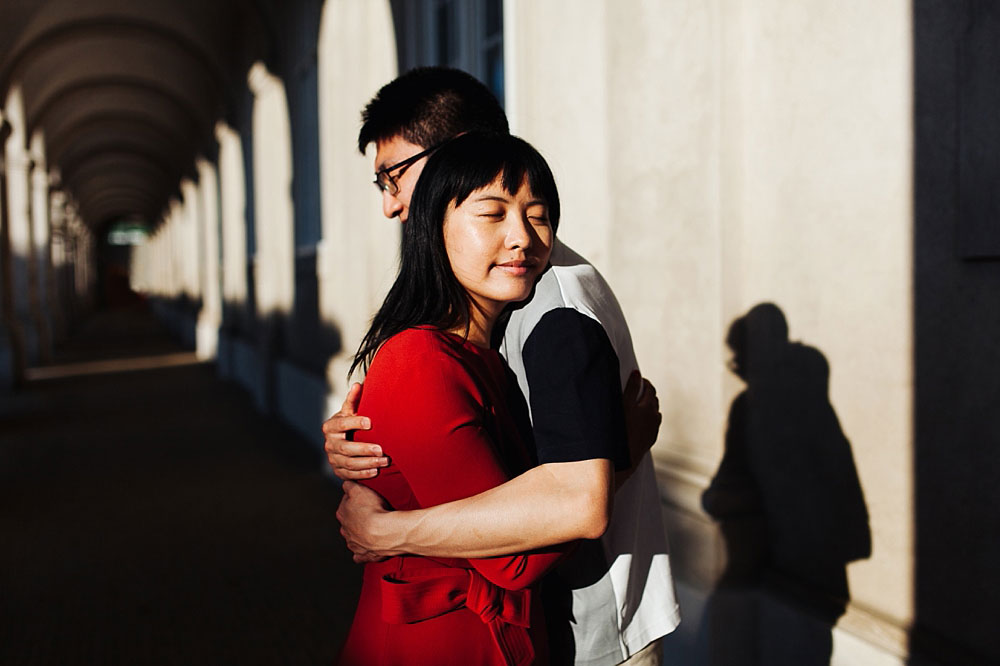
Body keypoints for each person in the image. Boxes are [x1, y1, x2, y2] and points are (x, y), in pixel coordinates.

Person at [325, 67, 680, 666]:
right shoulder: (456, 323)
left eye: (395, 175)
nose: (390, 205)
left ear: (461, 160)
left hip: (589, 627)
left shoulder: (546, 306)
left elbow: (570, 504)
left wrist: (389, 530)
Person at [338, 132, 566, 665]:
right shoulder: (421, 359)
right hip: (437, 645)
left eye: (537, 216)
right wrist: (610, 461)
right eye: (493, 214)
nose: (521, 238)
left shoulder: (485, 357)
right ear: (435, 227)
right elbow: (513, 560)